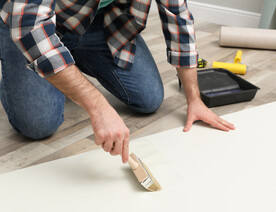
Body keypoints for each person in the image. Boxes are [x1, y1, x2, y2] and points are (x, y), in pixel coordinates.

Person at [0, 0, 235, 163]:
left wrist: (194, 98)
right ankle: (44, 65)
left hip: (100, 22)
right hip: (28, 24)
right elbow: (29, 26)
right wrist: (98, 105)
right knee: (38, 125)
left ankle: (66, 62)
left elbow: (178, 18)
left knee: (149, 99)